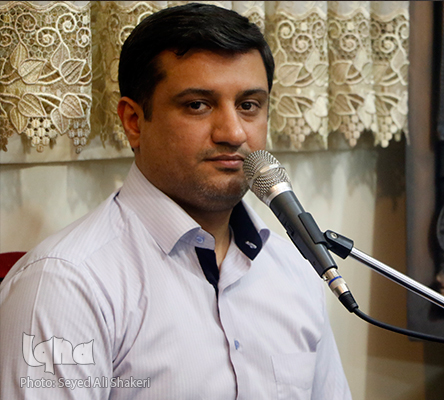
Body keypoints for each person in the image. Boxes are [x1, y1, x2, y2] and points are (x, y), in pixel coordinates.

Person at [0, 4, 351, 399]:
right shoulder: (66, 284)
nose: (233, 133)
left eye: (248, 105)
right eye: (198, 105)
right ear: (134, 122)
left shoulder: (294, 269)